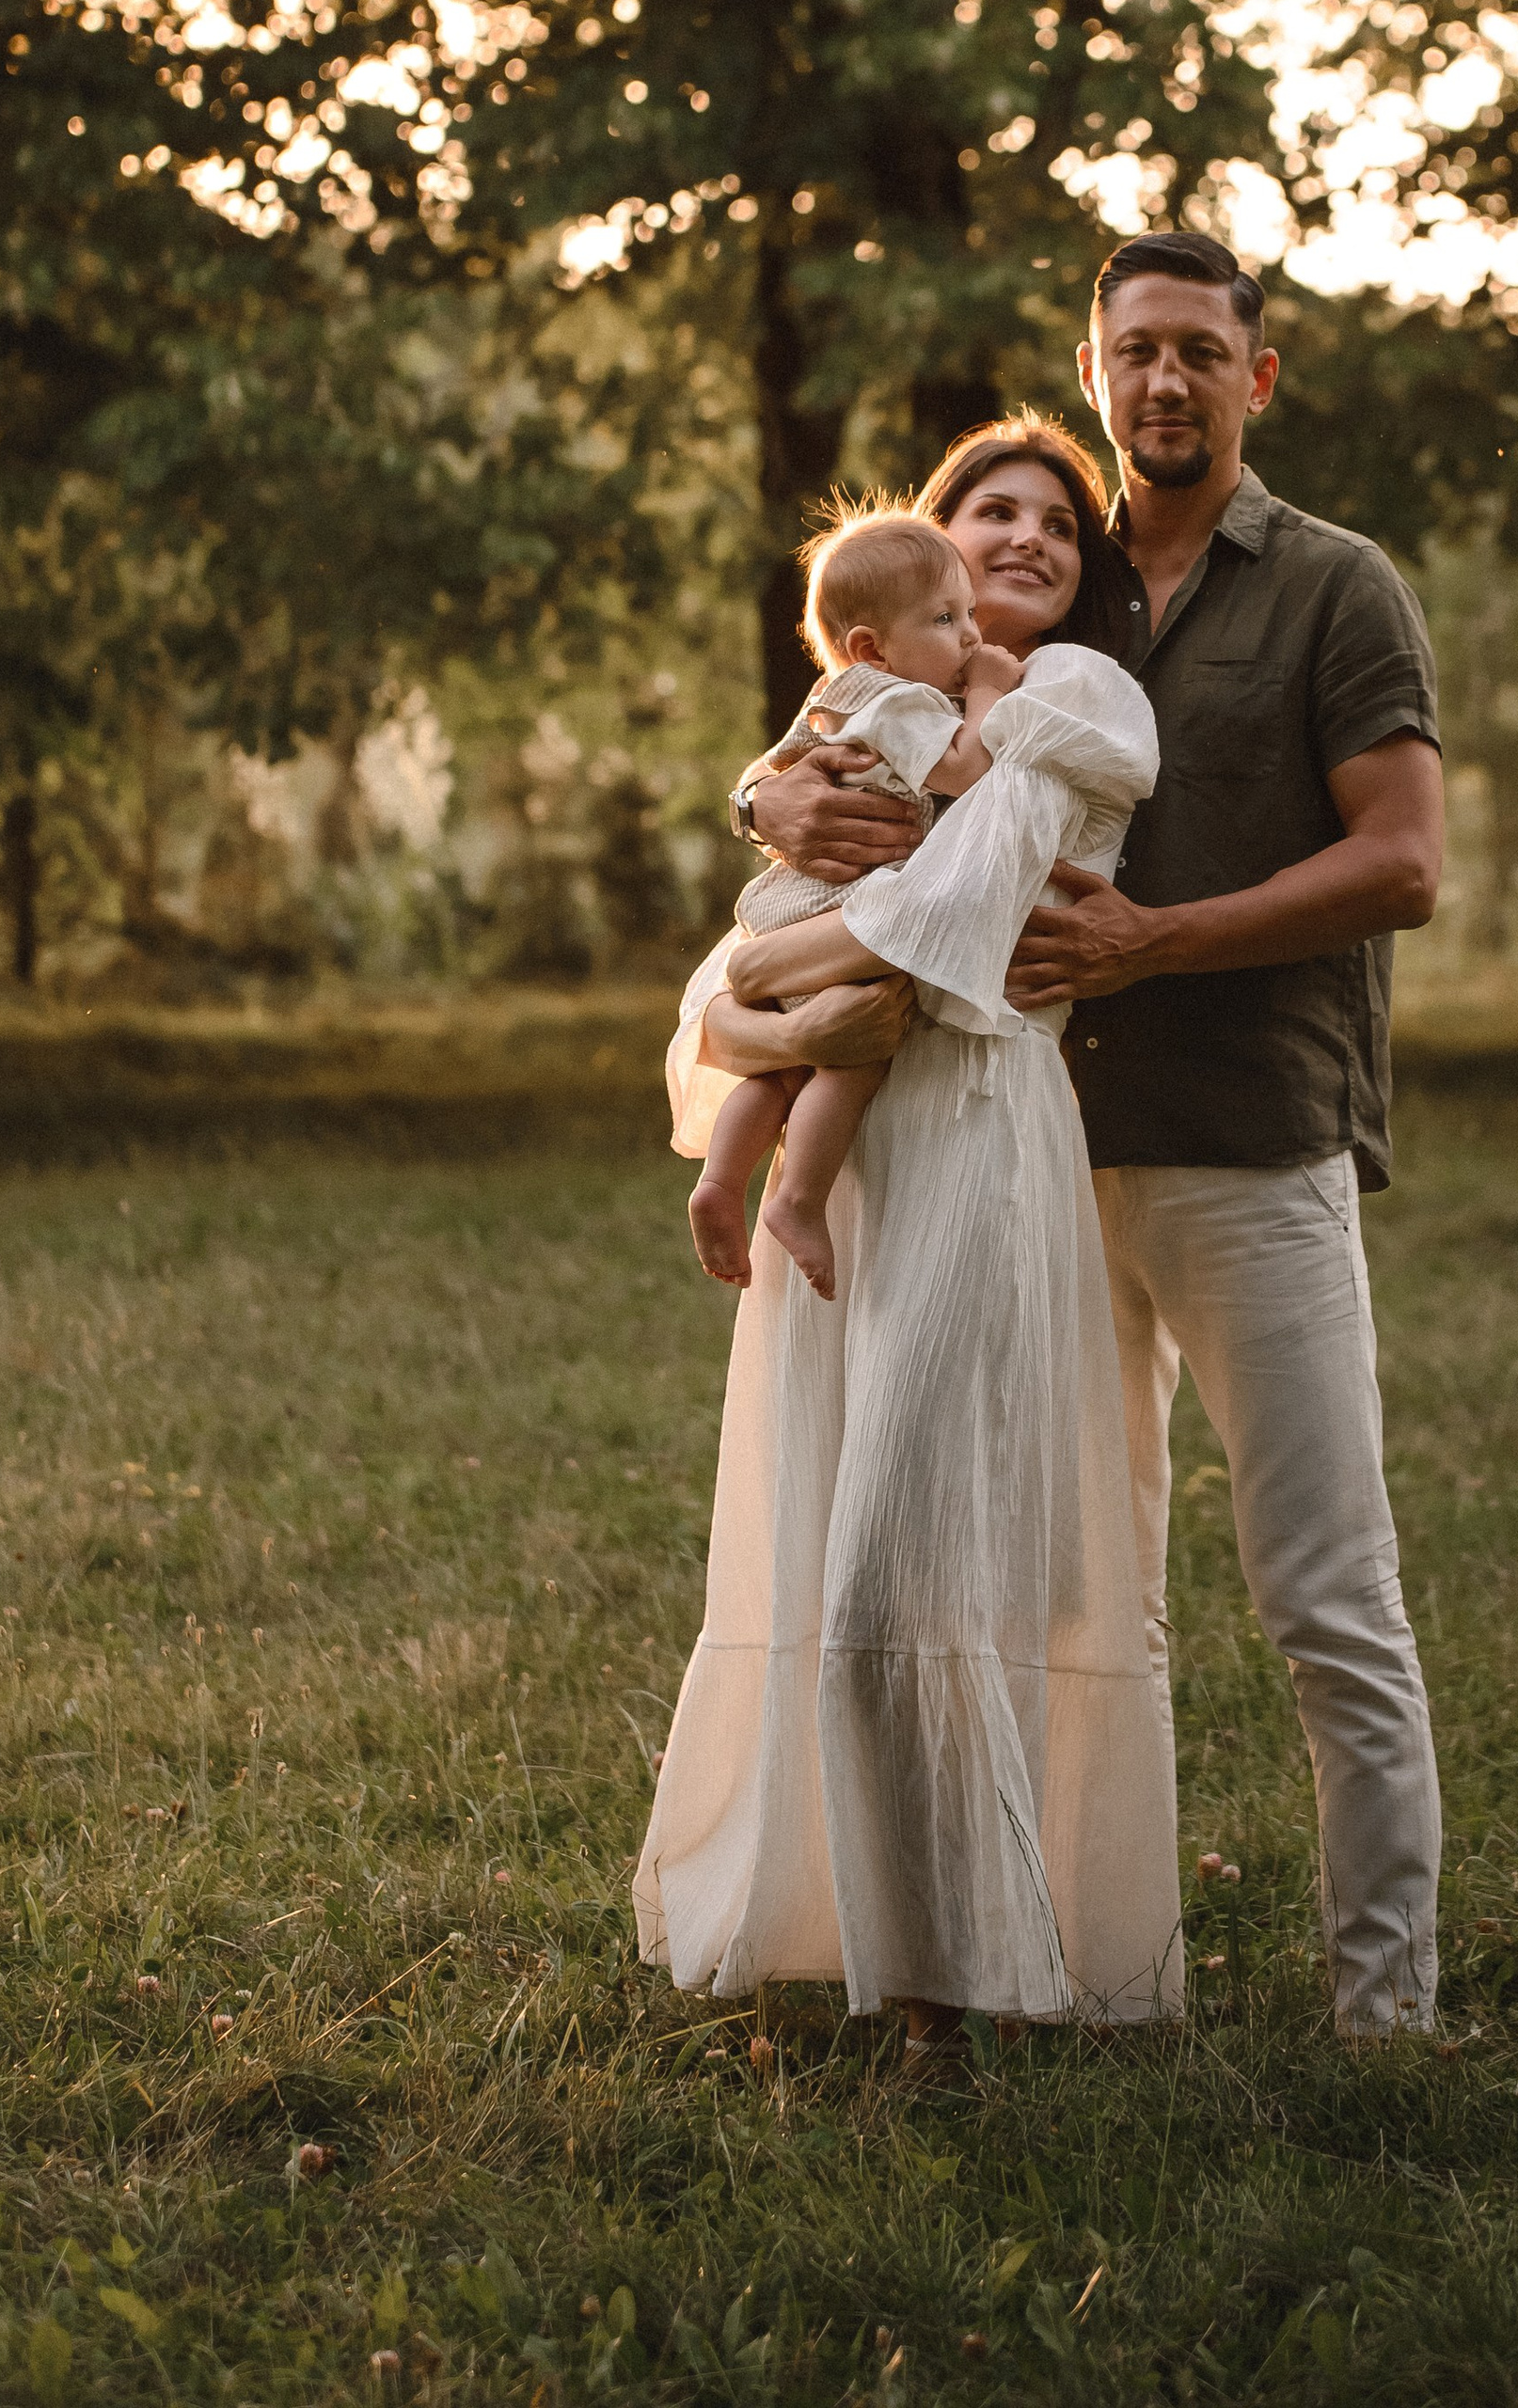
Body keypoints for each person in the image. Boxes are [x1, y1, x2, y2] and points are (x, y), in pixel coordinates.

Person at [745, 253, 1448, 2037]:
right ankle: (1113, 1975)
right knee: (1087, 1609)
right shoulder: (1039, 597)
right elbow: (866, 718)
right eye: (1135, 352)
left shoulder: (1327, 589)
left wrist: (1159, 938)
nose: (1167, 383)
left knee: (1325, 1597)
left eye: (1202, 355)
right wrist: (764, 789)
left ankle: (1391, 2012)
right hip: (1044, 1167)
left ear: (1257, 378)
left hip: (1249, 1145)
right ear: (1093, 368)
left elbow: (1404, 865)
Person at [635, 424, 1182, 2036]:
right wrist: (770, 819)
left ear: (1081, 575)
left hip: (975, 1130)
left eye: (1054, 526)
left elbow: (933, 933)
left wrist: (778, 980)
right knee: (828, 1540)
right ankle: (851, 1930)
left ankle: (974, 1962)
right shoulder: (840, 738)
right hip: (850, 1149)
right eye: (986, 516)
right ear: (932, 562)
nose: (1022, 541)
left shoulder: (1076, 702)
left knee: (915, 1563)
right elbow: (721, 996)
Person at [685, 507, 1025, 1304]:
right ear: (872, 646)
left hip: (787, 909)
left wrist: (754, 795)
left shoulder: (833, 695)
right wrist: (990, 692)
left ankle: (721, 1177)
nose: (971, 636)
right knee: (855, 1051)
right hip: (840, 910)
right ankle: (797, 1195)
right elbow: (966, 771)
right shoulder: (898, 700)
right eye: (948, 618)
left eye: (970, 614)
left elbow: (773, 765)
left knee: (779, 1074)